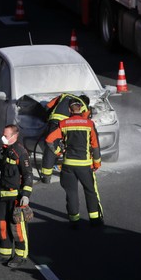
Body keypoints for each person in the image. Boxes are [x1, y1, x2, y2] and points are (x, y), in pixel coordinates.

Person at [43, 97, 103, 228]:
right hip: (84, 165)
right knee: (90, 191)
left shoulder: (63, 123)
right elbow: (95, 145)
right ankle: (94, 220)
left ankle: (74, 221)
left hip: (68, 165)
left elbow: (48, 140)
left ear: (69, 109)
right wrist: (97, 163)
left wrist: (58, 151)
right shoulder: (89, 124)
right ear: (81, 109)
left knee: (71, 193)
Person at [0, 124, 32, 268]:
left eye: (5, 136)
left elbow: (28, 175)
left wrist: (25, 195)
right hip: (3, 195)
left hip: (16, 196)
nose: (2, 137)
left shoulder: (21, 152)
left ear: (14, 136)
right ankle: (4, 253)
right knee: (1, 225)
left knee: (17, 227)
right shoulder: (5, 150)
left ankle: (20, 255)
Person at [40, 93, 83, 183]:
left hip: (54, 122)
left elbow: (48, 106)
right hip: (67, 125)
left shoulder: (63, 96)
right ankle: (70, 172)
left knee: (50, 148)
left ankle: (46, 176)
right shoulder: (82, 104)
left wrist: (46, 118)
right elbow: (83, 120)